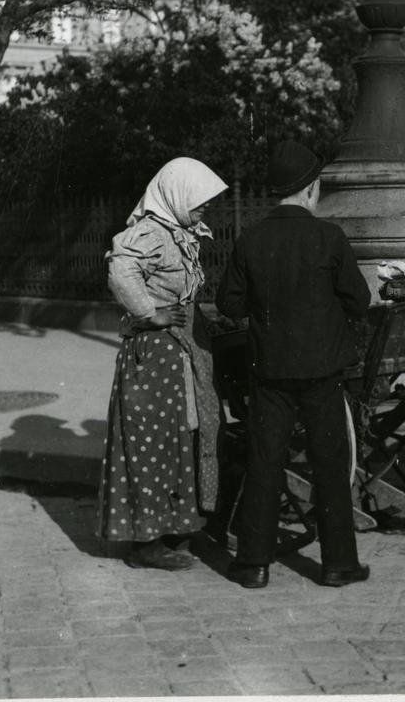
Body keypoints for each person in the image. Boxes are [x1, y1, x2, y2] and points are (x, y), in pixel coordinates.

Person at [216, 140, 371, 589]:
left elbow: (229, 303)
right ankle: (339, 564)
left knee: (265, 462)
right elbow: (359, 302)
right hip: (322, 369)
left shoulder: (251, 239)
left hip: (270, 370)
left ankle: (253, 564)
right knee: (330, 463)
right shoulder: (330, 238)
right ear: (311, 189)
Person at [97, 157, 228, 570]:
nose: (206, 205)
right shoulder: (150, 232)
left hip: (177, 352)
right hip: (154, 355)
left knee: (180, 438)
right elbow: (120, 270)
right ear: (176, 195)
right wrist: (149, 312)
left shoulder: (179, 233)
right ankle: (144, 543)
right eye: (199, 198)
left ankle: (174, 528)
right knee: (151, 443)